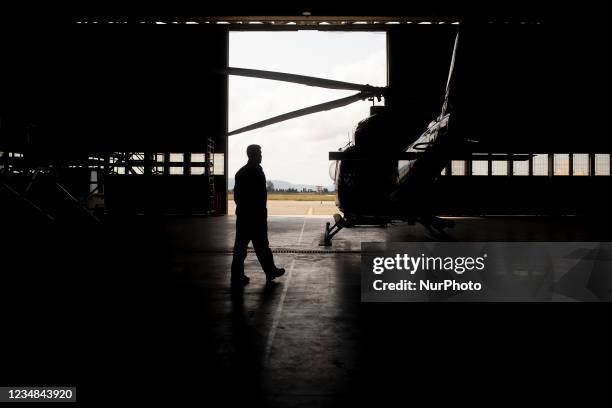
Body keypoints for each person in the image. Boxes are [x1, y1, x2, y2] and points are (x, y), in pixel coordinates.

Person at [230, 145, 285, 286]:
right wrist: (255, 211)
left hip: (246, 217)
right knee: (259, 246)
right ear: (253, 155)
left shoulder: (242, 172)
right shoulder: (253, 172)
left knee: (244, 248)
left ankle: (239, 275)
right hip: (254, 217)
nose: (261, 156)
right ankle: (269, 271)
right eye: (259, 153)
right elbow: (246, 197)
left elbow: (237, 197)